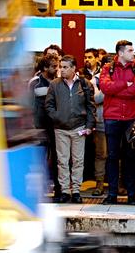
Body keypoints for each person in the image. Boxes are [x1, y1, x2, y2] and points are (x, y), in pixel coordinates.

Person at [45, 55, 97, 204]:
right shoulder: (55, 84)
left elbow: (90, 106)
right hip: (60, 128)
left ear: (74, 68)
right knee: (62, 161)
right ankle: (65, 191)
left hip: (79, 127)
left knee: (78, 161)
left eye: (65, 67)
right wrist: (57, 117)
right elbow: (48, 105)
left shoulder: (85, 84)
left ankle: (76, 191)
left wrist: (89, 125)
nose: (62, 70)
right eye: (61, 67)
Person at [100, 40, 135, 205]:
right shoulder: (108, 68)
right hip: (112, 117)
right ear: (120, 53)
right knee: (112, 157)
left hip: (130, 118)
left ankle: (131, 194)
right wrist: (125, 84)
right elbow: (105, 87)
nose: (133, 53)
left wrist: (117, 89)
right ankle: (112, 193)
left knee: (130, 157)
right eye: (130, 50)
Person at [29, 54, 61, 201]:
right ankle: (40, 190)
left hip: (55, 125)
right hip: (40, 126)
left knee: (57, 158)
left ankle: (58, 189)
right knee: (40, 159)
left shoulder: (59, 82)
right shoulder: (34, 83)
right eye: (54, 67)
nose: (57, 69)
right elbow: (30, 106)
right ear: (45, 68)